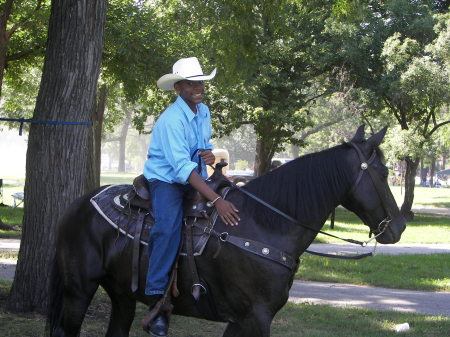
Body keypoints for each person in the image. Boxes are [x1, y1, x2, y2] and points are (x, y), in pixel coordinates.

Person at [143, 57, 240, 336]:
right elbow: (182, 169)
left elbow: (201, 148)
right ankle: (157, 300)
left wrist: (209, 154)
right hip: (167, 180)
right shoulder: (171, 120)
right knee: (168, 227)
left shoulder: (204, 111)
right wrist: (216, 200)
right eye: (190, 83)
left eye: (199, 82)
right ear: (178, 88)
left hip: (195, 177)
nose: (197, 87)